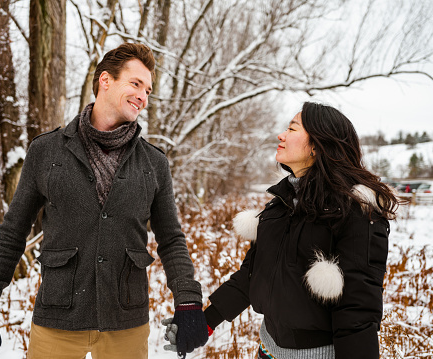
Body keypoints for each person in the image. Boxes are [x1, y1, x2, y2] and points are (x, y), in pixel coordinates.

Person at [0, 42, 208, 359]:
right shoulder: (46, 151)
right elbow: (13, 230)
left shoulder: (154, 164)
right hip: (58, 321)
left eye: (148, 90)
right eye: (136, 84)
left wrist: (188, 300)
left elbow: (172, 238)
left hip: (125, 324)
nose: (143, 96)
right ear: (105, 81)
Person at [163, 102, 399, 358]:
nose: (281, 135)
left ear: (317, 145)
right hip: (268, 351)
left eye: (292, 128)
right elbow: (253, 275)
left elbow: (358, 311)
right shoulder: (280, 205)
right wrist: (204, 322)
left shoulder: (355, 212)